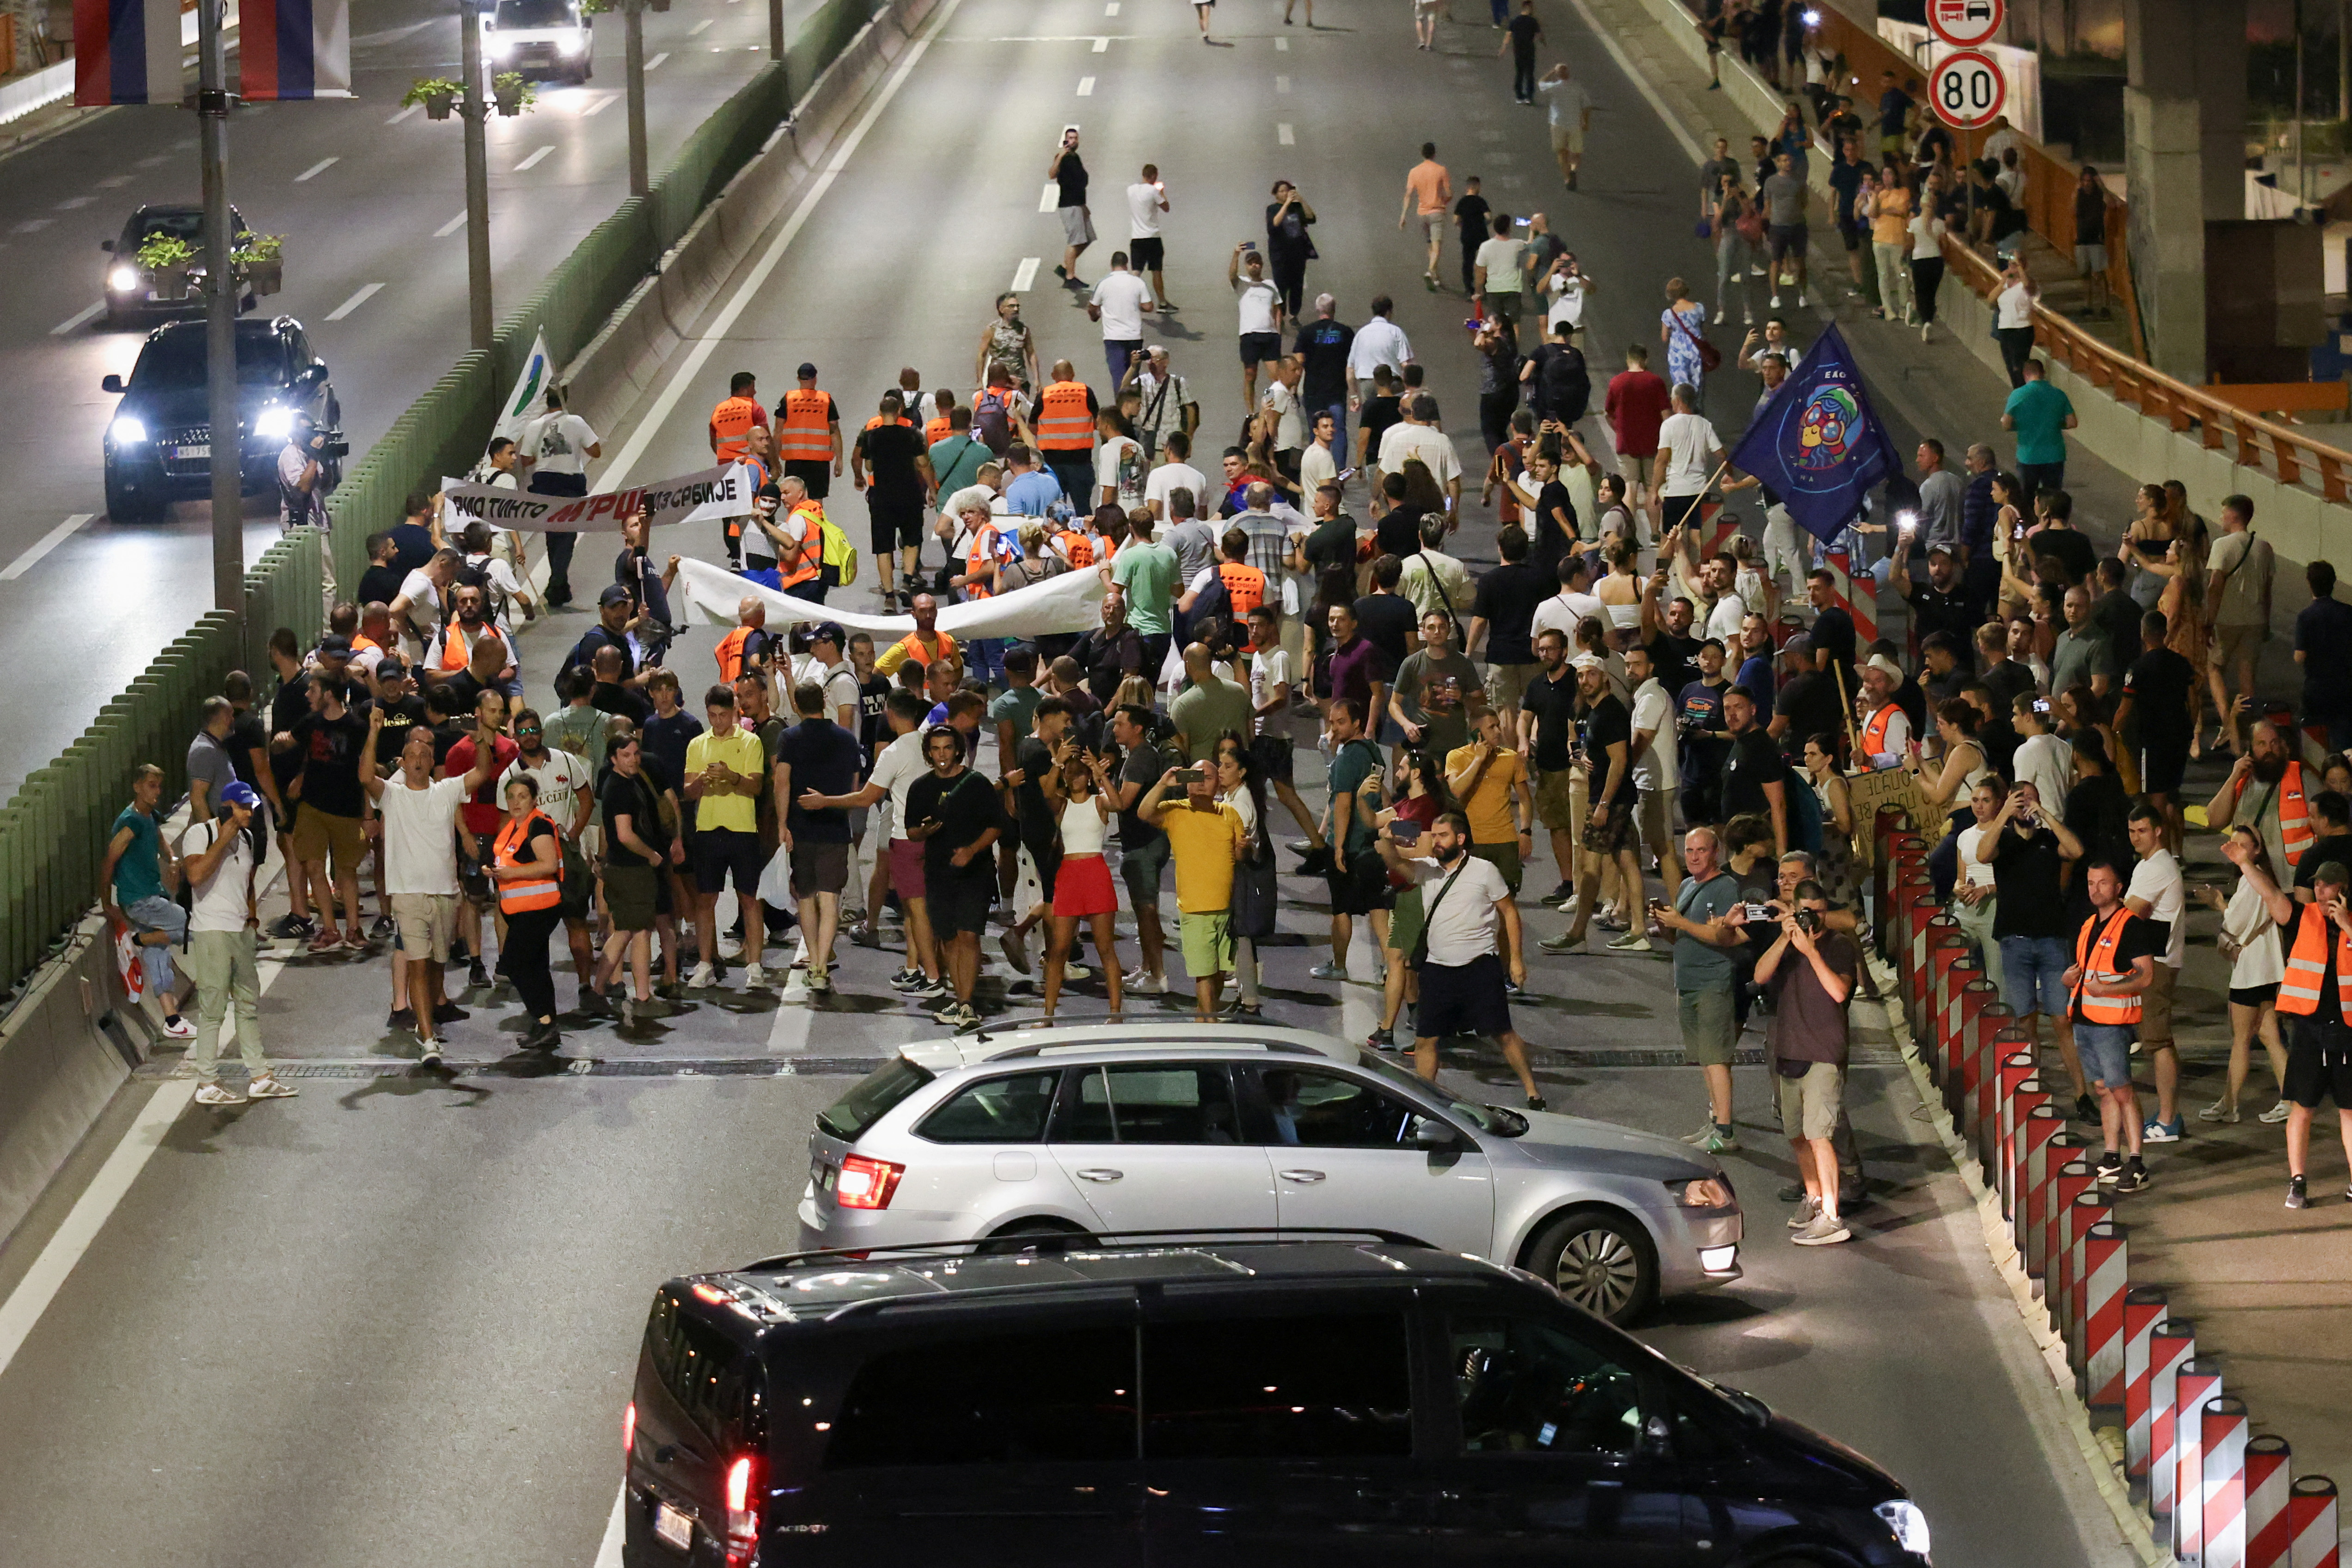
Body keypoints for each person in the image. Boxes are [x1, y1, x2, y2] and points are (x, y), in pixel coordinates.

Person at [2229, 840, 2352, 1208]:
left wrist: (2346, 925)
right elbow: (2270, 894)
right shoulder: (2305, 917)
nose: (2319, 890)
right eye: (2317, 884)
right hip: (2311, 1030)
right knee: (2302, 1107)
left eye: (2327, 885)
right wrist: (2246, 863)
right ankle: (2298, 1182)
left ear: (2343, 888)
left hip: (2346, 1032)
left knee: (2349, 1110)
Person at [1977, 779, 2096, 1119]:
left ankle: (2081, 1095)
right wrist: (2002, 817)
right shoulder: (2004, 841)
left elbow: (2076, 851)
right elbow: (1983, 854)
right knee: (2025, 1020)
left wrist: (2045, 814)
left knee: (2062, 1021)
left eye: (2032, 799)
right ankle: (2035, 1093)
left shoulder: (2048, 840)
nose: (2026, 805)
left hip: (2052, 941)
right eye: (2021, 799)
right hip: (2015, 943)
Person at [177, 781, 294, 1104]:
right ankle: (206, 1082)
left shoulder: (248, 838)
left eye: (251, 807)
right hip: (212, 931)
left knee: (247, 1004)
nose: (250, 812)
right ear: (227, 806)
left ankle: (259, 1077)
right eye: (243, 807)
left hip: (240, 930)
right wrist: (226, 834)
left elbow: (248, 884)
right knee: (212, 1009)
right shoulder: (200, 834)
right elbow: (196, 876)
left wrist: (252, 921)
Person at [1757, 880, 1860, 1244]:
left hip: (1823, 1054)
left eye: (1817, 912)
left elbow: (1839, 991)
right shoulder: (1787, 944)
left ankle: (1832, 1217)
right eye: (1805, 911)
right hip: (1789, 1051)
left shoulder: (1839, 946)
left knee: (1820, 1137)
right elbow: (1759, 976)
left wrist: (1812, 952)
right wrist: (1786, 939)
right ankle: (1814, 1198)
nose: (1812, 918)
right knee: (1797, 1135)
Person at [901, 724, 1006, 1029]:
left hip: (975, 873)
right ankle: (961, 1001)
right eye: (936, 749)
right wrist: (923, 832)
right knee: (948, 938)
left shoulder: (976, 783)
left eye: (947, 748)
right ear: (928, 753)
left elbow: (996, 825)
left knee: (969, 935)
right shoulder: (920, 787)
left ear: (958, 750)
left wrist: (971, 851)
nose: (942, 754)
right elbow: (911, 830)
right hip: (938, 874)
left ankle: (967, 1002)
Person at [2064, 859, 2157, 1193]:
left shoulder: (2130, 925)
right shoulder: (2089, 924)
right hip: (2086, 1019)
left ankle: (2136, 1162)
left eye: (2103, 883)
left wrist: (2108, 990)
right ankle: (2112, 1155)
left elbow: (2146, 974)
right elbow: (2084, 972)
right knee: (2103, 1089)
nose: (2095, 889)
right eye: (2091, 883)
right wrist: (2067, 980)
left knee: (2122, 1090)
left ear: (2119, 889)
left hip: (2112, 1024)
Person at [1659, 827, 1750, 1152]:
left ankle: (1725, 1132)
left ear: (1716, 853)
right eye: (1689, 851)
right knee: (1705, 1059)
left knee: (1717, 1059)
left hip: (1714, 983)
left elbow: (1724, 937)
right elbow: (1680, 935)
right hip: (1688, 983)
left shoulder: (1726, 888)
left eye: (1701, 851)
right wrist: (1665, 924)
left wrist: (1680, 924)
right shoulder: (1686, 885)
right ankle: (1715, 1121)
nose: (1694, 857)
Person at [2195, 825, 2292, 1125]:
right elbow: (2244, 918)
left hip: (2251, 974)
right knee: (2270, 1036)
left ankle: (2231, 1105)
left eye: (2243, 845)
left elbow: (2237, 925)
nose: (2235, 849)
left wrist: (2221, 906)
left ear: (2257, 849)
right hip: (2267, 971)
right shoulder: (2257, 878)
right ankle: (2289, 1100)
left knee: (2241, 1040)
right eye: (2232, 844)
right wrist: (2222, 904)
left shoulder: (2253, 881)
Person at [1138, 761, 1246, 1020]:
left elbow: (1240, 857)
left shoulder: (1230, 814)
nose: (1200, 783)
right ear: (1185, 782)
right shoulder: (1175, 811)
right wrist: (1164, 784)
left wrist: (1246, 848)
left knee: (1219, 972)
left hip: (1227, 908)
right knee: (1204, 973)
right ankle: (1211, 1029)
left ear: (1218, 783)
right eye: (1194, 777)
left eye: (1207, 777)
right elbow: (1144, 813)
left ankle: (1203, 1018)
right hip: (1195, 910)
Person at [682, 685, 770, 992]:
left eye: (723, 715)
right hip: (707, 830)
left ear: (734, 713)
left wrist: (732, 777)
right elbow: (688, 791)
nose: (718, 722)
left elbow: (756, 787)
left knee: (749, 899)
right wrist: (702, 782)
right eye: (712, 716)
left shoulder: (751, 743)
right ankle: (706, 963)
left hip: (743, 830)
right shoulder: (697, 745)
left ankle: (755, 966)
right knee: (705, 900)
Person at [1312, 698, 1391, 980]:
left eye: (1340, 722)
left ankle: (1339, 966)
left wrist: (1339, 848)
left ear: (1357, 722)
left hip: (1350, 844)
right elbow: (1383, 795)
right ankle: (1389, 964)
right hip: (1373, 842)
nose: (1334, 728)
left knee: (1341, 908)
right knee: (1378, 907)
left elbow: (1342, 805)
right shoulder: (1374, 752)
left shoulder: (1346, 760)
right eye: (1332, 723)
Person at [486, 774, 566, 1052]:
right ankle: (546, 1025)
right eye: (511, 796)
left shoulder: (538, 825)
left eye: (522, 796)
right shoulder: (513, 827)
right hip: (521, 910)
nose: (516, 802)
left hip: (540, 909)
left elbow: (549, 864)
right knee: (536, 966)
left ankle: (544, 1021)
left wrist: (511, 873)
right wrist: (497, 873)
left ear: (534, 799)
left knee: (515, 965)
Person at [515, 386, 600, 608]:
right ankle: (556, 583)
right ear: (566, 398)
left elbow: (525, 460)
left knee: (553, 535)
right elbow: (596, 451)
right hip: (570, 484)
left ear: (546, 401)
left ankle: (561, 589)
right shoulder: (576, 422)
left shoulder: (535, 426)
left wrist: (545, 457)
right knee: (568, 534)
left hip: (543, 484)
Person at [1400, 142, 1452, 290]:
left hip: (1422, 213)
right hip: (1437, 212)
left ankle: (1436, 276)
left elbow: (1408, 195)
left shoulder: (1414, 172)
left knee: (1430, 246)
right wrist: (1445, 201)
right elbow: (1449, 194)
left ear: (1422, 154)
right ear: (1434, 154)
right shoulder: (1441, 170)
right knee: (1437, 246)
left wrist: (1403, 215)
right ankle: (1430, 272)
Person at [1534, 62, 1592, 189]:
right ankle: (1574, 170)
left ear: (1558, 75)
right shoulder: (1577, 87)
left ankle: (1567, 179)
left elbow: (1541, 83)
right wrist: (1586, 123)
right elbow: (1587, 106)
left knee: (1561, 153)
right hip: (1575, 124)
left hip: (1558, 123)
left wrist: (1551, 71)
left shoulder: (1554, 87)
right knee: (1576, 153)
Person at [1048, 127, 1094, 287]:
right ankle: (1070, 277)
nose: (1073, 141)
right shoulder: (1064, 157)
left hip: (1079, 204)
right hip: (1069, 205)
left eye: (1075, 138)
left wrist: (1084, 206)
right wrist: (1060, 156)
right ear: (1065, 140)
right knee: (1075, 241)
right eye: (1070, 138)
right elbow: (1052, 174)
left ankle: (1065, 267)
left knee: (1087, 238)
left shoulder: (1075, 157)